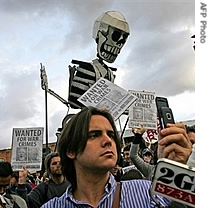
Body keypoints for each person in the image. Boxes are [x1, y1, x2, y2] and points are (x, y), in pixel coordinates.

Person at [41, 106, 192, 208]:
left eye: (111, 134)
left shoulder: (146, 192)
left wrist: (175, 169)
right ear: (71, 150)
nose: (108, 140)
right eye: (94, 135)